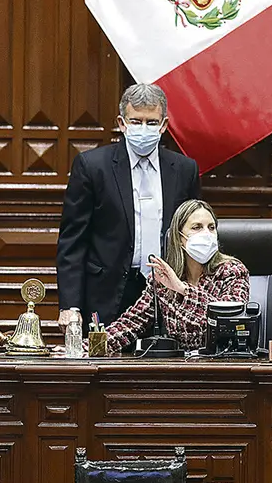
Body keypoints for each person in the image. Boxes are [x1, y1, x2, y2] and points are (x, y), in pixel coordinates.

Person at [56, 83, 200, 333]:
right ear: (122, 124)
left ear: (164, 125)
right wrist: (70, 305)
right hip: (107, 293)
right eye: (136, 122)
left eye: (151, 122)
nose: (143, 129)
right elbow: (73, 241)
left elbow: (194, 234)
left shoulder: (184, 170)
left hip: (167, 292)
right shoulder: (92, 167)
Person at [103, 200, 249, 354]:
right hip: (179, 365)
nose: (206, 234)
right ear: (179, 238)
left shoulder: (232, 271)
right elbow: (132, 322)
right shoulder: (164, 277)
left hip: (224, 363)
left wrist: (182, 289)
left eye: (211, 228)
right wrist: (91, 347)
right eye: (197, 227)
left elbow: (231, 317)